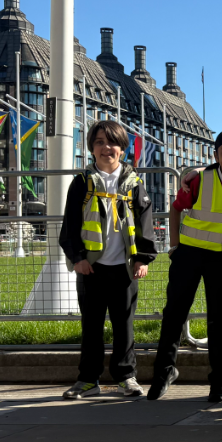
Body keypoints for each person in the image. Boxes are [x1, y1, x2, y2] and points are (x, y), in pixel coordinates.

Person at [149, 130, 222, 403]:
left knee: (218, 320)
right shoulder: (201, 180)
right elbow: (176, 208)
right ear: (215, 155)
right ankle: (163, 374)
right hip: (189, 255)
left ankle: (218, 381)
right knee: (174, 314)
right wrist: (174, 247)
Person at [58, 120, 157, 399]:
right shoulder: (81, 182)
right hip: (91, 268)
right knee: (91, 327)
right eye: (99, 142)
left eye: (112, 142)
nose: (106, 148)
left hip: (125, 269)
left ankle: (126, 377)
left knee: (124, 326)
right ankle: (88, 380)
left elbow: (145, 224)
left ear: (122, 148)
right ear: (91, 148)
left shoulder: (134, 184)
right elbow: (70, 225)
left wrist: (142, 259)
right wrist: (78, 258)